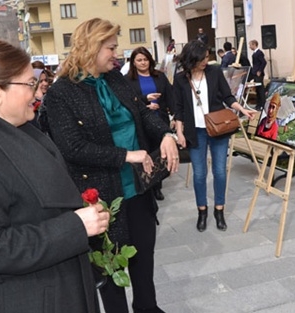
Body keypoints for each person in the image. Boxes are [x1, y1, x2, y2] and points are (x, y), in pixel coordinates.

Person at [0, 39, 110, 313]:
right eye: (29, 84)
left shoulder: (21, 131)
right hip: (25, 299)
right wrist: (74, 226)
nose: (37, 92)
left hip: (55, 289)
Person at [45, 18, 179, 313]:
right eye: (111, 47)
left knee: (144, 259)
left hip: (139, 190)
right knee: (109, 270)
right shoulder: (61, 93)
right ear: (91, 47)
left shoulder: (116, 79)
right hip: (101, 198)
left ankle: (148, 308)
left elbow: (143, 114)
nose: (116, 54)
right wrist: (126, 155)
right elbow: (72, 148)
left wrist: (166, 134)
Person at [172, 40, 256, 232]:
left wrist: (242, 108)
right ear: (191, 58)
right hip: (195, 131)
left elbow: (227, 96)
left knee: (219, 171)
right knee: (199, 174)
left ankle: (220, 210)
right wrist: (179, 132)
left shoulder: (215, 71)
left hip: (218, 129)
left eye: (207, 57)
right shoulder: (180, 79)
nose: (205, 61)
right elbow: (178, 108)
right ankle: (202, 211)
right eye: (202, 58)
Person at [125, 47, 175, 201]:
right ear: (133, 62)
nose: (143, 63)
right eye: (139, 60)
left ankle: (157, 185)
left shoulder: (159, 76)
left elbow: (170, 96)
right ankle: (148, 185)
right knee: (146, 152)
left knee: (159, 153)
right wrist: (145, 103)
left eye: (145, 59)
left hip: (160, 119)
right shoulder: (128, 80)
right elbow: (128, 101)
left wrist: (174, 116)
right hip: (141, 122)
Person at [249, 40, 267, 110]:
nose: (249, 47)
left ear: (254, 45)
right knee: (257, 89)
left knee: (260, 89)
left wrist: (260, 70)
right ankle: (258, 104)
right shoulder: (255, 53)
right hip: (255, 73)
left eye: (250, 45)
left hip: (258, 74)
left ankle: (262, 104)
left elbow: (263, 62)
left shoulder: (259, 53)